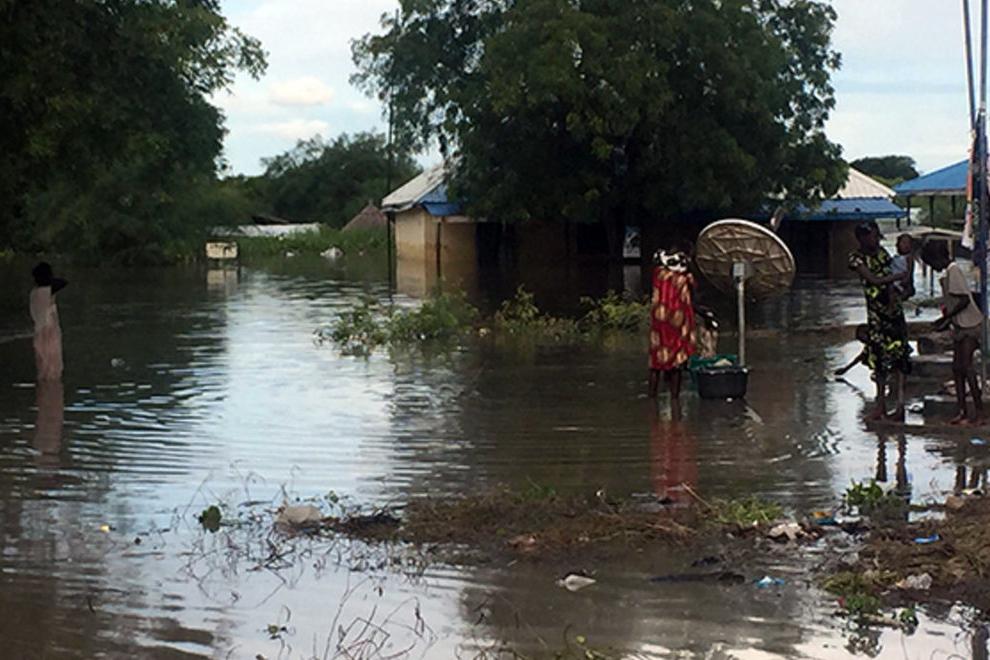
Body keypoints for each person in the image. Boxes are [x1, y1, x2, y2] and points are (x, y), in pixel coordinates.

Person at [848, 222, 912, 421]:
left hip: (894, 312)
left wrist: (903, 284)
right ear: (862, 238)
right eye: (873, 237)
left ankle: (900, 406)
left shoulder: (883, 253)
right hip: (876, 315)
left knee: (900, 358)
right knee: (879, 360)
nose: (876, 240)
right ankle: (880, 406)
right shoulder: (856, 258)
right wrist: (898, 276)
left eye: (877, 236)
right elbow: (873, 280)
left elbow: (894, 280)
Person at [920, 240, 983, 425]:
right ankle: (962, 411)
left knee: (967, 367)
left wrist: (947, 318)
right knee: (957, 368)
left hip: (970, 324)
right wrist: (946, 320)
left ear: (937, 258)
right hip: (960, 325)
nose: (933, 268)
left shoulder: (953, 270)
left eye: (932, 263)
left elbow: (963, 300)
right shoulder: (949, 272)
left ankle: (978, 412)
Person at [648, 247, 697, 403]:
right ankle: (675, 401)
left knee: (655, 363)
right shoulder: (683, 280)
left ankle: (651, 400)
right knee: (676, 362)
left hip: (659, 323)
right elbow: (692, 292)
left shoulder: (658, 274)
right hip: (677, 323)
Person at [30, 262, 67, 381]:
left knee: (43, 369)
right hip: (49, 333)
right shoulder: (47, 290)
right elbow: (63, 282)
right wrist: (50, 279)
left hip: (39, 332)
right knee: (52, 370)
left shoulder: (34, 292)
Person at [891, 234, 916, 301]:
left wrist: (907, 278)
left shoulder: (909, 257)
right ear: (898, 244)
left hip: (903, 280)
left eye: (909, 243)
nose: (906, 245)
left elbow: (910, 269)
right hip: (895, 279)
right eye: (904, 243)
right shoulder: (896, 257)